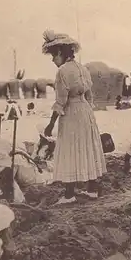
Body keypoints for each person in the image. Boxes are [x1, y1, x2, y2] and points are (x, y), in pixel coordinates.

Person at [42, 29, 107, 205]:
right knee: (87, 146)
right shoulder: (83, 69)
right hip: (86, 111)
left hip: (71, 112)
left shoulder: (62, 71)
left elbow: (60, 101)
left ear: (60, 53)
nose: (53, 60)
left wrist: (50, 125)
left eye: (54, 56)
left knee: (70, 148)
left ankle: (69, 194)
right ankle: (92, 188)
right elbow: (89, 95)